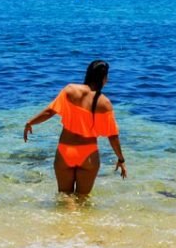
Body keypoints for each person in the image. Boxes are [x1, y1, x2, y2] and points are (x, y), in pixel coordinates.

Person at [23, 59, 127, 196]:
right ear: (104, 78)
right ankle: (78, 218)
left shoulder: (70, 90)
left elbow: (50, 111)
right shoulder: (105, 103)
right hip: (89, 155)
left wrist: (30, 122)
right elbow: (113, 137)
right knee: (82, 200)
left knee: (64, 197)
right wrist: (121, 159)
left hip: (66, 150)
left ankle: (65, 218)